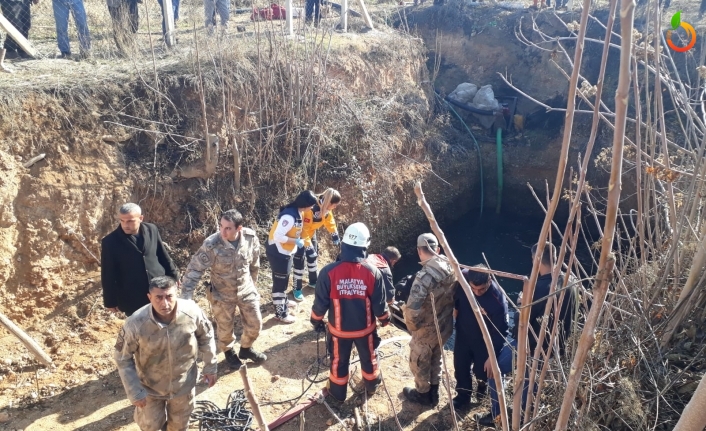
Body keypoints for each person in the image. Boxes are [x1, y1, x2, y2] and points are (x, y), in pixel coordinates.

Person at [477, 242, 578, 426]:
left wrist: (520, 303)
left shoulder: (538, 289)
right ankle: (521, 418)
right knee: (529, 386)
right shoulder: (570, 282)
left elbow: (521, 325)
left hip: (531, 346)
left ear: (536, 259)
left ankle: (497, 416)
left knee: (496, 370)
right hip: (555, 349)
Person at [114, 276, 217, 431]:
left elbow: (206, 337)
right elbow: (122, 358)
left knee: (179, 426)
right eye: (159, 298)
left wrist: (210, 366)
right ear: (149, 297)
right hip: (150, 389)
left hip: (183, 385)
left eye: (169, 296)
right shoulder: (136, 323)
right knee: (150, 426)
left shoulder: (191, 312)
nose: (165, 303)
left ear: (176, 294)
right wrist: (134, 391)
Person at [310, 222, 390, 401]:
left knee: (338, 362)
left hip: (339, 332)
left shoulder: (328, 272)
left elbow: (320, 304)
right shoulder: (373, 272)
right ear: (364, 246)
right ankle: (371, 386)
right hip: (365, 331)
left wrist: (316, 320)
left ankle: (337, 394)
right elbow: (379, 305)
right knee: (369, 358)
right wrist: (385, 319)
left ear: (344, 245)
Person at [180, 209, 267, 369]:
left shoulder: (250, 237)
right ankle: (229, 352)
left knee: (255, 324)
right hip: (222, 295)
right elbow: (194, 270)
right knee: (225, 329)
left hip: (246, 290)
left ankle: (246, 349)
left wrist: (253, 285)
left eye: (228, 228)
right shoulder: (212, 244)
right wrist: (186, 297)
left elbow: (254, 263)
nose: (223, 231)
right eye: (221, 226)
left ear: (239, 228)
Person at [401, 233, 457, 406]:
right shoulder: (451, 266)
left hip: (426, 329)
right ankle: (434, 392)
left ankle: (423, 394)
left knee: (419, 361)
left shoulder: (424, 277)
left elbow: (411, 309)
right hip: (445, 326)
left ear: (419, 251)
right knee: (436, 356)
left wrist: (413, 328)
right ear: (438, 249)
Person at [101, 203, 179, 317]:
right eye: (122, 221)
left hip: (159, 289)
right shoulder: (110, 242)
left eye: (130, 221)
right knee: (140, 331)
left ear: (141, 218)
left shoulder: (152, 229)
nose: (125, 225)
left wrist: (174, 275)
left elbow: (162, 255)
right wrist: (110, 301)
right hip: (133, 295)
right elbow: (108, 273)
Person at [452, 265, 509, 410]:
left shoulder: (498, 301)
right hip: (463, 333)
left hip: (484, 342)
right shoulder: (463, 278)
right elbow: (456, 295)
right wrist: (456, 308)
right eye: (473, 289)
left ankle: (482, 389)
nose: (477, 293)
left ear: (489, 280)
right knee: (461, 366)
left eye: (481, 289)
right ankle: (463, 396)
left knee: (481, 371)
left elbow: (501, 331)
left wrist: (492, 356)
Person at [266, 190, 318, 323]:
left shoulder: (297, 212)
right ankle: (281, 313)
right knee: (280, 284)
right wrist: (295, 241)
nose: (312, 208)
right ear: (306, 204)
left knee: (283, 280)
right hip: (278, 252)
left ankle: (283, 301)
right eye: (311, 205)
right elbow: (278, 236)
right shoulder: (289, 217)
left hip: (285, 252)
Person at [292, 188, 341, 302]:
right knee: (300, 262)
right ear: (329, 202)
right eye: (334, 205)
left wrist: (334, 234)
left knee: (313, 258)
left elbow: (330, 221)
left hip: (311, 233)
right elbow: (304, 229)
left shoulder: (326, 208)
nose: (335, 207)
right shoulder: (312, 208)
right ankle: (296, 288)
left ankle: (313, 281)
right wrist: (308, 247)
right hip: (299, 235)